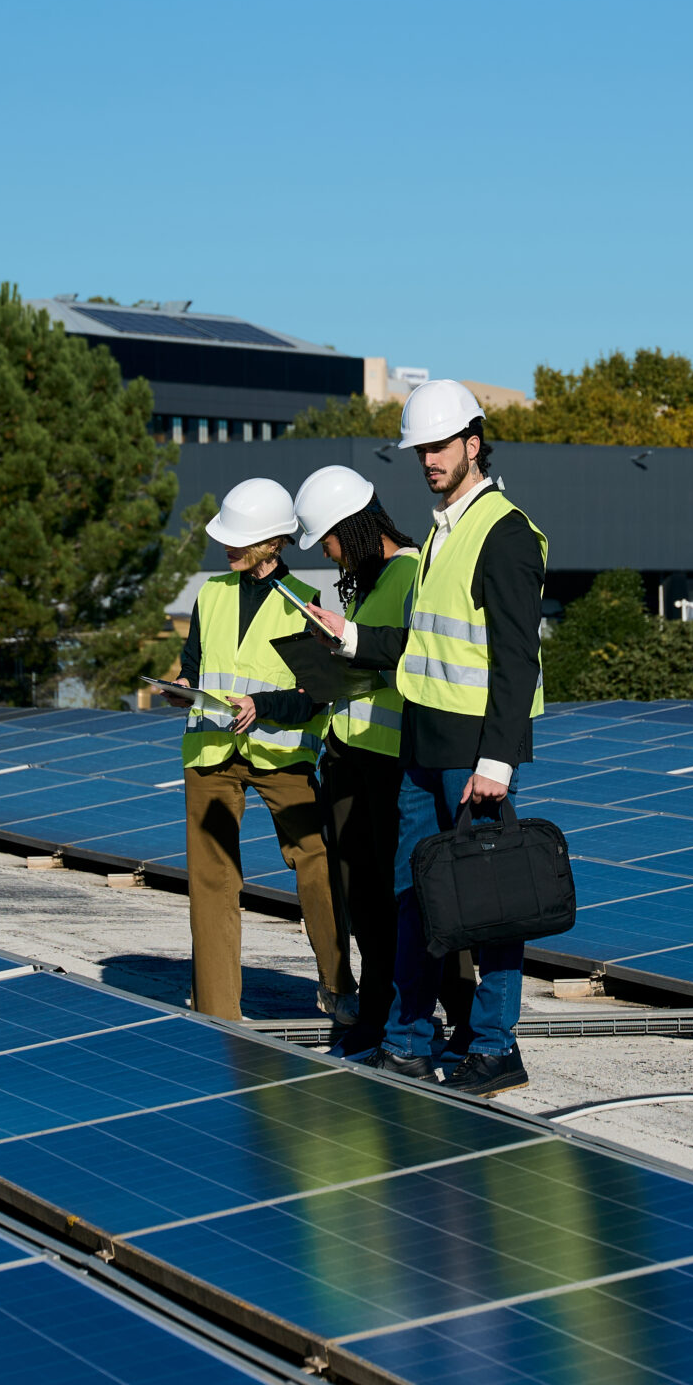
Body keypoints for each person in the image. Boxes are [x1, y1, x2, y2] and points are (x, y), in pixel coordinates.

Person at [307, 380, 546, 1099]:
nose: (428, 460)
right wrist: (350, 637)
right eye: (421, 451)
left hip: (474, 755)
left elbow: (514, 657)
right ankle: (407, 1045)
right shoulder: (443, 528)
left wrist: (497, 762)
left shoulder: (503, 531)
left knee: (489, 906)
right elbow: (426, 641)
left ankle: (495, 1049)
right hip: (422, 746)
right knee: (414, 898)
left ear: (474, 443)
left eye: (439, 446)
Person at [231, 465, 417, 1056]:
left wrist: (347, 648)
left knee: (391, 900)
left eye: (330, 541)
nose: (330, 556)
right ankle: (373, 1014)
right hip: (347, 754)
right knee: (358, 897)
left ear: (355, 527)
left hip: (388, 762)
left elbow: (407, 657)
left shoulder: (411, 574)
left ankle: (398, 1020)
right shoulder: (371, 579)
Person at [174, 476, 349, 1025]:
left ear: (274, 541)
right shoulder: (211, 593)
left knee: (316, 867)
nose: (226, 546)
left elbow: (318, 697)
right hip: (210, 753)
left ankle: (339, 986)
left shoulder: (308, 605)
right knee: (212, 880)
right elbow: (195, 666)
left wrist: (263, 706)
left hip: (282, 758)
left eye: (239, 538)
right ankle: (219, 1010)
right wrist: (179, 683)